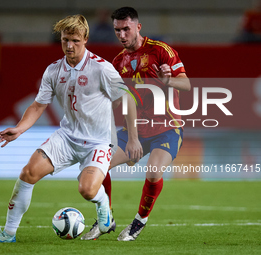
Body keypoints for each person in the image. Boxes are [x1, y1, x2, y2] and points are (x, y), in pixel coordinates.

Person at [0, 14, 141, 243]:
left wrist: (134, 139)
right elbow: (38, 105)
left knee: (87, 190)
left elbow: (128, 100)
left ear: (85, 39)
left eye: (75, 40)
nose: (69, 45)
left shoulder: (101, 68)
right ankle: (8, 234)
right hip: (67, 137)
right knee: (28, 173)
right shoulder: (54, 70)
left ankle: (104, 207)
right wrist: (19, 129)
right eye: (65, 40)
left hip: (98, 142)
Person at [81, 6, 191, 241]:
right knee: (98, 166)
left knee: (152, 172)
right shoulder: (118, 61)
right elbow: (120, 101)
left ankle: (139, 221)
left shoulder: (161, 51)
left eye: (126, 29)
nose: (121, 35)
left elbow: (186, 84)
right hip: (135, 129)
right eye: (117, 30)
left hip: (167, 128)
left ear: (138, 27)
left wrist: (167, 79)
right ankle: (105, 218)